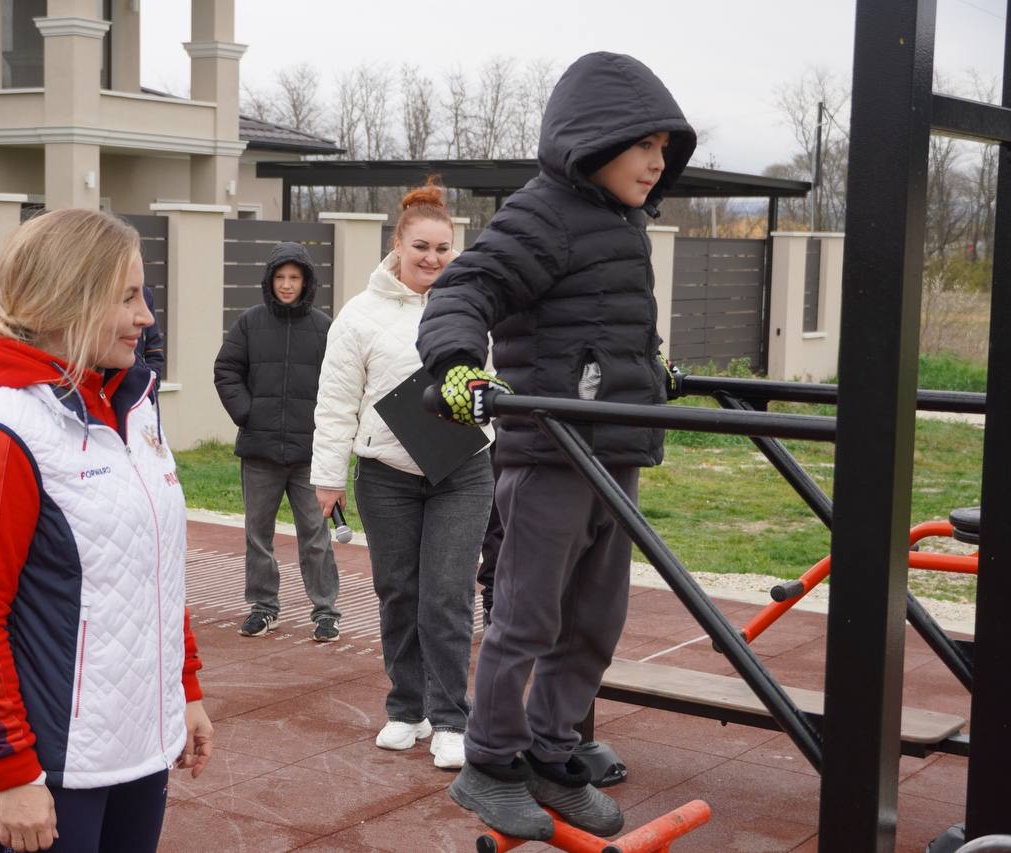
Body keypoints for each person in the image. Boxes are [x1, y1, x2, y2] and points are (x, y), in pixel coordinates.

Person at [416, 52, 696, 839]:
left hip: (615, 450)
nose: (657, 161)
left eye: (664, 148)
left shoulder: (623, 224)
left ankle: (550, 749)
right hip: (553, 453)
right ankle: (490, 760)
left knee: (597, 618)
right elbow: (465, 288)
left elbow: (604, 325)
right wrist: (458, 366)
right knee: (528, 615)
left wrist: (652, 370)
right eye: (643, 144)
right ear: (593, 141)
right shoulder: (541, 214)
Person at [0, 208, 213, 853]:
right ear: (68, 301)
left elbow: (155, 568)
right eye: (128, 297)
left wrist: (185, 692)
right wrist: (12, 770)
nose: (146, 317)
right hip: (50, 763)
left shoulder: (134, 408)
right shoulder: (4, 433)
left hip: (138, 744)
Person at [311, 181, 494, 771]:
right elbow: (336, 401)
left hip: (462, 472)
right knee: (398, 592)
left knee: (447, 594)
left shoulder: (473, 307)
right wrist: (327, 476)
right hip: (386, 475)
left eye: (443, 248)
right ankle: (407, 709)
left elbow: (498, 382)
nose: (433, 259)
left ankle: (450, 719)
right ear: (397, 245)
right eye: (422, 247)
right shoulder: (359, 315)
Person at [213, 242, 342, 643]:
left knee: (316, 537)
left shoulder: (324, 328)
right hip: (260, 451)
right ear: (270, 281)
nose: (287, 285)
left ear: (307, 282)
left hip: (309, 455)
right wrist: (247, 413)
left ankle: (326, 612)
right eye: (280, 277)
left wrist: (328, 433)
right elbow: (226, 369)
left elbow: (340, 384)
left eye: (295, 278)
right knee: (258, 535)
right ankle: (263, 607)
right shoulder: (249, 323)